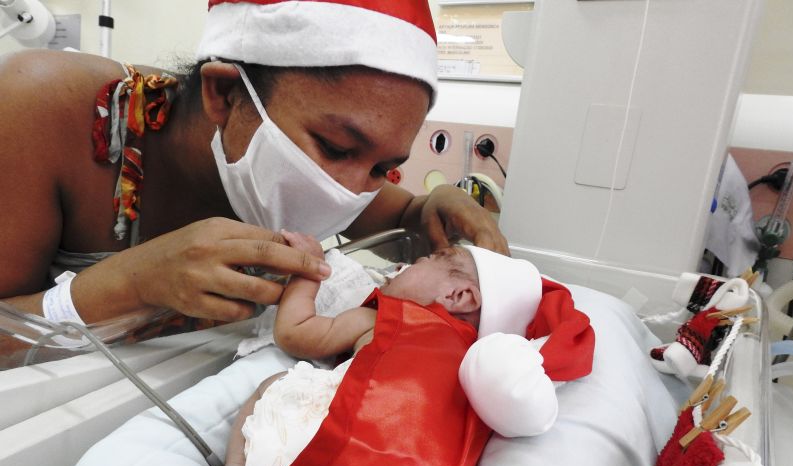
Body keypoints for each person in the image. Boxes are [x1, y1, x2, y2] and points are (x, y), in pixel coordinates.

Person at [0, 0, 508, 336]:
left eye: (384, 168)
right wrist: (128, 286)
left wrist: (432, 207)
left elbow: (412, 213)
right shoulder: (42, 104)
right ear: (223, 93)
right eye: (334, 147)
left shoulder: (334, 177)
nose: (348, 193)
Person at [218, 230, 593, 466]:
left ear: (458, 294)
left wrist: (309, 271)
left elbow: (294, 333)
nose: (399, 270)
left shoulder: (392, 318)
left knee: (276, 382)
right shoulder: (477, 380)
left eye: (420, 262)